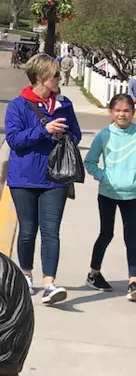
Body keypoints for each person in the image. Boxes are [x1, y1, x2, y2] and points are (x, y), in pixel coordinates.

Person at [5, 53, 82, 305]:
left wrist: (65, 136)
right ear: (41, 77)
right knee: (27, 230)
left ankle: (50, 284)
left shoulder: (64, 104)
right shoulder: (17, 105)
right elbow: (14, 140)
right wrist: (44, 130)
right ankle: (25, 274)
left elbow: (77, 135)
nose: (60, 78)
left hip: (55, 178)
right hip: (24, 179)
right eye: (56, 75)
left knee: (51, 232)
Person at [84, 94, 136, 300]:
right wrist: (103, 177)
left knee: (132, 237)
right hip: (107, 194)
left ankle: (133, 281)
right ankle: (93, 273)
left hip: (132, 195)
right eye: (118, 110)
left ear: (133, 112)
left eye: (126, 110)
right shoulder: (104, 136)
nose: (122, 114)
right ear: (111, 113)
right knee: (106, 233)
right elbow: (90, 162)